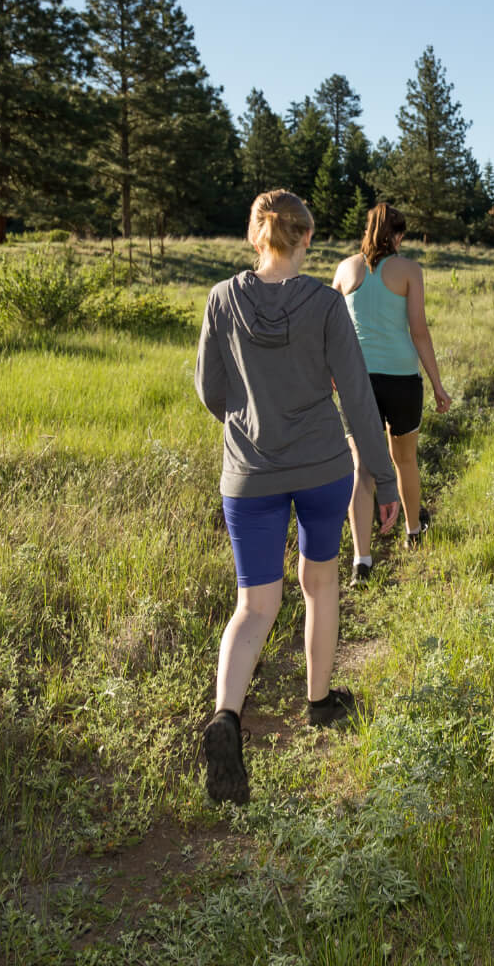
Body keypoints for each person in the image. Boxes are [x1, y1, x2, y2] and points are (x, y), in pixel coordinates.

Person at [194, 189, 401, 805]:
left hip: (248, 473)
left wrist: (248, 425)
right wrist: (385, 481)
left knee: (253, 605)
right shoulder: (324, 303)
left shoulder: (221, 299)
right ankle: (318, 701)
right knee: (320, 584)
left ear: (256, 237)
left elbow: (210, 389)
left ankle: (225, 718)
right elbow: (358, 397)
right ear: (306, 238)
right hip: (321, 469)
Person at [333, 202, 452, 580]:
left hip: (357, 381)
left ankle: (361, 562)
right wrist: (437, 385)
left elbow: (329, 329)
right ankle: (413, 533)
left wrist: (331, 373)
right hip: (401, 379)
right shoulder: (409, 271)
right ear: (397, 235)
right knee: (405, 460)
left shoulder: (344, 269)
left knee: (362, 469)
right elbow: (419, 331)